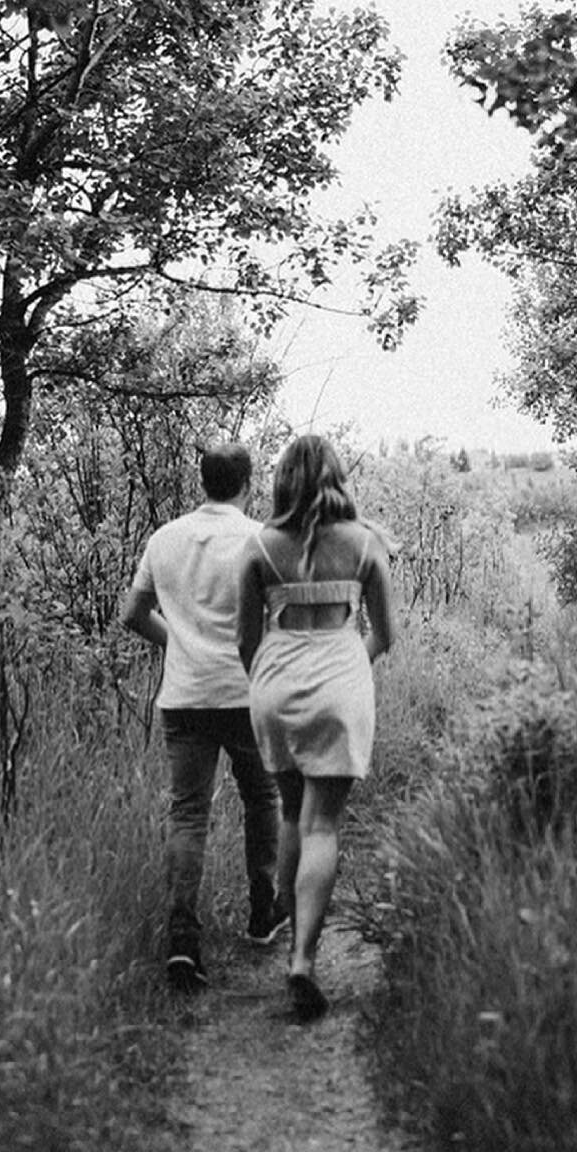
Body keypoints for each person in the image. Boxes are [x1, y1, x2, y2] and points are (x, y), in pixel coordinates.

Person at [237, 434, 395, 1022]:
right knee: (323, 823)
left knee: (288, 811)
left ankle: (284, 914)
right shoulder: (365, 544)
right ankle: (303, 959)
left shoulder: (258, 546)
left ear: (282, 482)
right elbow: (385, 631)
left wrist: (268, 678)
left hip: (274, 683)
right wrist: (351, 664)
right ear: (336, 478)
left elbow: (244, 640)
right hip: (339, 679)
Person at [119, 440, 286, 991]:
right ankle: (264, 914)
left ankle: (183, 944)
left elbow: (132, 614)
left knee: (188, 813)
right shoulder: (260, 540)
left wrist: (179, 646)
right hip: (245, 691)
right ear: (248, 482)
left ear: (202, 480)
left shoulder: (165, 538)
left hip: (185, 695)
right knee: (262, 797)